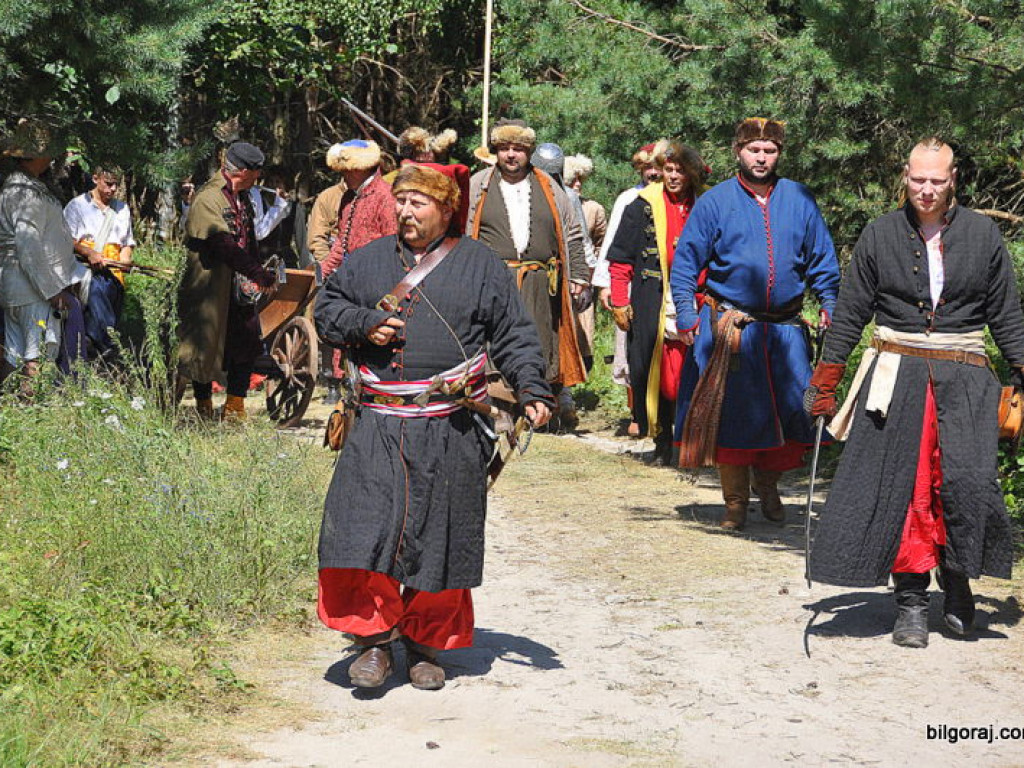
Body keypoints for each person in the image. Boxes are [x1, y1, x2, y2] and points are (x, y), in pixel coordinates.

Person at [314, 164, 553, 690]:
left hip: (451, 427)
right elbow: (326, 309)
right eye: (402, 201)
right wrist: (364, 324)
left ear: (447, 210)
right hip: (377, 423)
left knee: (442, 536)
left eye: (419, 203)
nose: (405, 211)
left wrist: (533, 390)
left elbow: (513, 333)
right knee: (363, 532)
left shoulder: (481, 265)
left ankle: (425, 647)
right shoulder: (366, 261)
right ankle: (375, 643)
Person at [805, 138, 1024, 648]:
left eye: (938, 181)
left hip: (966, 378)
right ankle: (910, 602)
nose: (926, 190)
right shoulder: (880, 234)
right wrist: (826, 379)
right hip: (897, 378)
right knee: (907, 490)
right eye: (918, 179)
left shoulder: (983, 234)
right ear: (905, 175)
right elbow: (853, 310)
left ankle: (960, 583)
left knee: (966, 484)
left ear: (954, 181)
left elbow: (1006, 315)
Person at [670, 118, 840, 530]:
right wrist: (687, 313)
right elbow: (686, 262)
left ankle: (769, 487)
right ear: (738, 152)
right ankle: (735, 505)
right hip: (733, 329)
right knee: (734, 417)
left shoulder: (799, 198)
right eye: (754, 150)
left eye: (769, 151)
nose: (761, 158)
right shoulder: (715, 202)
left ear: (778, 154)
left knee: (789, 413)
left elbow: (821, 257)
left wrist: (829, 300)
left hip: (784, 331)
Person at [466, 119, 589, 408]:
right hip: (491, 281)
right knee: (492, 339)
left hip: (539, 282)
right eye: (505, 148)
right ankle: (496, 401)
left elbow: (572, 232)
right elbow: (461, 231)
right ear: (495, 150)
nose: (511, 154)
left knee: (538, 339)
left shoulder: (549, 187)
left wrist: (579, 276)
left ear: (529, 151)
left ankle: (536, 402)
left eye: (518, 149)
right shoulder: (477, 185)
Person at [606, 140, 708, 464]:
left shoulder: (706, 206)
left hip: (698, 300)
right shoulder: (641, 205)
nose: (673, 176)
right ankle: (664, 444)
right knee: (658, 375)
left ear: (691, 173)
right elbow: (621, 261)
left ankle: (690, 443)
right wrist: (620, 301)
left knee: (693, 374)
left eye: (680, 170)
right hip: (653, 300)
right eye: (668, 169)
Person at [176, 141, 278, 421]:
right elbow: (223, 244)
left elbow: (249, 239)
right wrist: (257, 273)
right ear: (243, 171)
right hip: (209, 285)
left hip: (238, 287)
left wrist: (255, 273)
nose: (259, 178)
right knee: (203, 345)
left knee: (245, 342)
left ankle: (235, 408)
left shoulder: (242, 196)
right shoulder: (209, 197)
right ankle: (204, 406)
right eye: (256, 172)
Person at [0, 119, 86, 387]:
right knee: (34, 356)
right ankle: (32, 414)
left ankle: (15, 414)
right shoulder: (24, 192)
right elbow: (29, 245)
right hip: (31, 289)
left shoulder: (23, 185)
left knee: (17, 354)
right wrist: (51, 290)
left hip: (20, 285)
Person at [592, 142, 665, 437]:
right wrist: (607, 285)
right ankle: (637, 413)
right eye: (648, 168)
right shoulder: (629, 199)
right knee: (631, 349)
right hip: (631, 284)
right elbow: (613, 246)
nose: (653, 173)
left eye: (657, 167)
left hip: (664, 285)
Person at [317, 139, 397, 405]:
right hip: (350, 281)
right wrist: (325, 270)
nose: (343, 176)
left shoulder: (385, 197)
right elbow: (342, 240)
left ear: (360, 169)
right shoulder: (348, 198)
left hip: (376, 282)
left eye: (346, 171)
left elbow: (394, 241)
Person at [64, 165, 135, 361]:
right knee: (101, 318)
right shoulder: (77, 206)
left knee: (106, 318)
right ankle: (111, 354)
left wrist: (125, 259)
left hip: (114, 273)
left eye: (116, 185)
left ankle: (99, 358)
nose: (113, 189)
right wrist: (88, 252)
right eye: (108, 184)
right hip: (86, 271)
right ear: (95, 179)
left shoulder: (122, 209)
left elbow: (127, 242)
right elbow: (65, 239)